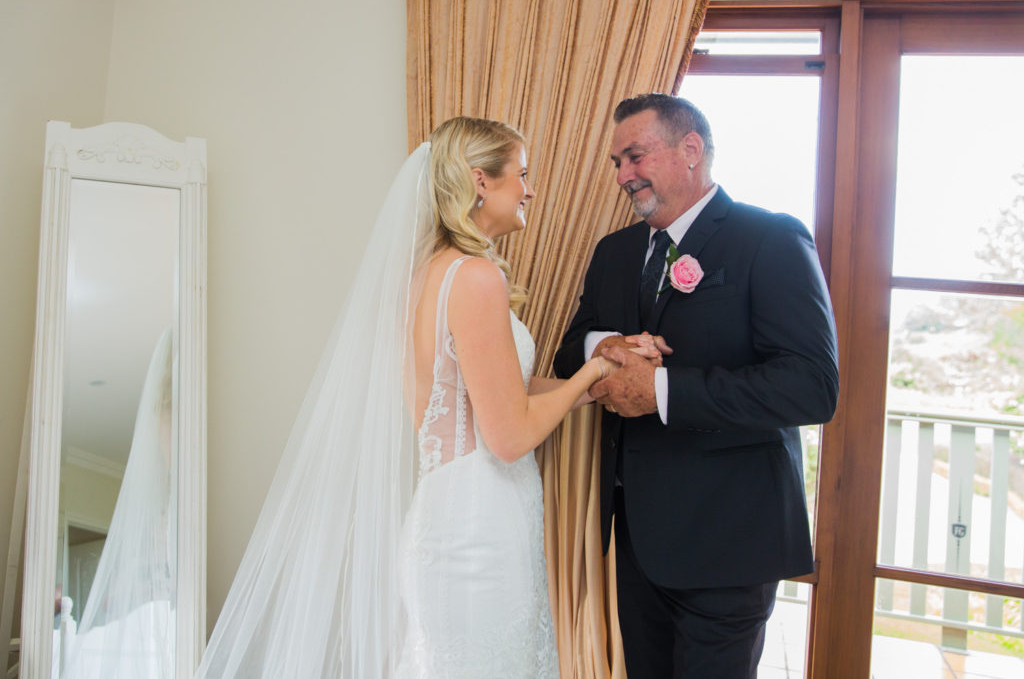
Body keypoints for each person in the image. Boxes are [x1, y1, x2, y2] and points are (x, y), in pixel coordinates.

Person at [194, 117, 653, 678]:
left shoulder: (421, 277)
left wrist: (594, 384)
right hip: (481, 525)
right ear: (481, 182)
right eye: (521, 175)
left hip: (449, 511)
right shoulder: (477, 277)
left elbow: (489, 390)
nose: (529, 190)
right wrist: (594, 369)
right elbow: (509, 438)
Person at [553, 93, 840, 678]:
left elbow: (812, 386)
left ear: (691, 150)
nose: (622, 175)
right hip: (634, 544)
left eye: (634, 156)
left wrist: (661, 392)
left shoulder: (772, 239)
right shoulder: (615, 252)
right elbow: (567, 354)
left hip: (730, 542)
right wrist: (601, 349)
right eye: (616, 163)